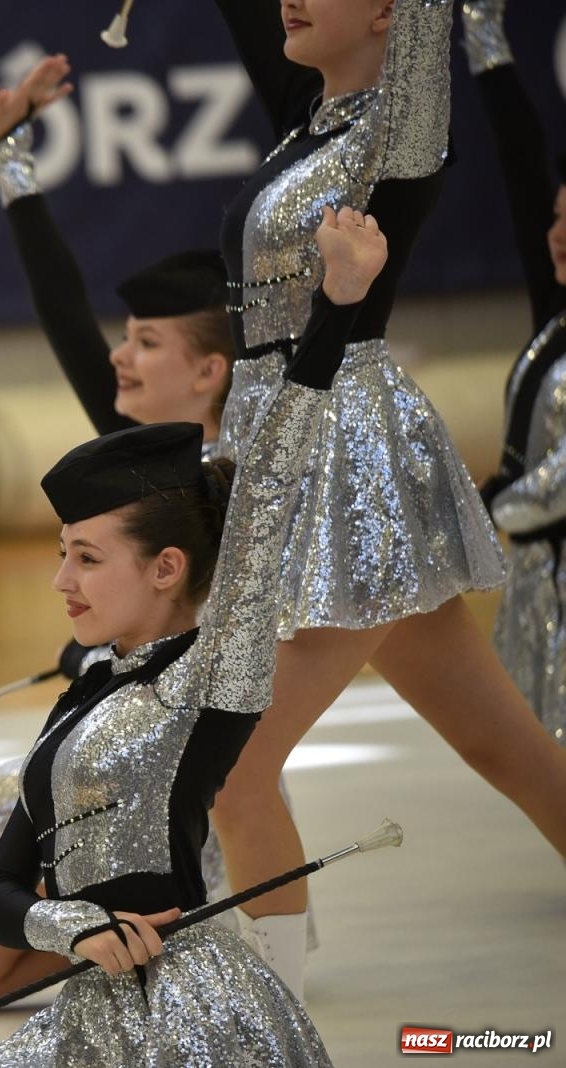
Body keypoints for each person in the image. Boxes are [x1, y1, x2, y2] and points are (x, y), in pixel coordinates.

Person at [0, 53, 310, 1011]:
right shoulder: (134, 463)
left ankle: (263, 966)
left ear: (211, 371)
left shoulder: (248, 479)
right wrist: (11, 162)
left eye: (146, 345)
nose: (120, 359)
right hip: (100, 765)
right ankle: (104, 925)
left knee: (252, 777)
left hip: (186, 756)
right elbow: (60, 316)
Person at [0, 203, 385, 1068]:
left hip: (191, 1019)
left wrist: (339, 304)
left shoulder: (212, 672)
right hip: (88, 1013)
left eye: (84, 558)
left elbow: (270, 478)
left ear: (163, 569)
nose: (60, 581)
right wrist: (73, 925)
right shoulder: (81, 699)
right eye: (61, 555)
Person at [206, 0, 566, 997]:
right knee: (507, 748)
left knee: (233, 766)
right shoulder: (305, 114)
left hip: (342, 454)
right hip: (281, 438)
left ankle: (261, 1020)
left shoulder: (399, 124)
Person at [464, 0, 566, 746]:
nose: (557, 236)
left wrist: (491, 508)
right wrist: (482, 31)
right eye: (558, 220)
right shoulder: (555, 327)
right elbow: (523, 168)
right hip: (542, 593)